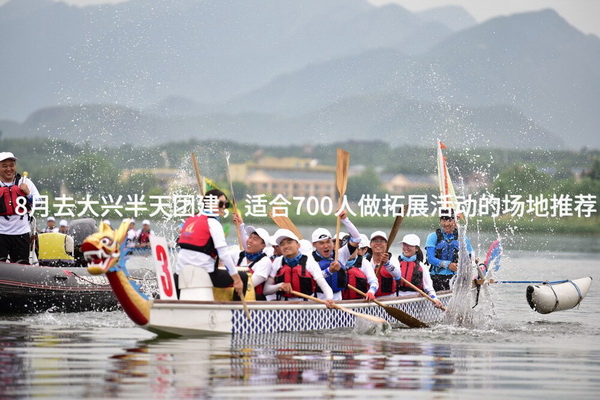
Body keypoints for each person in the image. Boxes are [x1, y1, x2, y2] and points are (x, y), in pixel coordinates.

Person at [174, 189, 246, 300]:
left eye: (226, 204)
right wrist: (237, 279)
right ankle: (236, 313)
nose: (224, 207)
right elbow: (224, 255)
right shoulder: (214, 223)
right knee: (243, 277)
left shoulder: (190, 220)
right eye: (221, 204)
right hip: (204, 274)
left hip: (180, 274)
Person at [263, 229, 334, 307]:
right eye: (282, 244)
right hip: (284, 307)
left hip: (307, 306)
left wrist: (329, 299)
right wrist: (280, 286)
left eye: (289, 242)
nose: (286, 246)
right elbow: (266, 290)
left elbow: (325, 286)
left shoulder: (309, 261)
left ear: (298, 245)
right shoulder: (277, 262)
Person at [311, 210, 362, 301]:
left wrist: (345, 220)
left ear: (332, 242)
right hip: (317, 302)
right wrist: (329, 271)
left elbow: (357, 238)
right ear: (314, 245)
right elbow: (314, 279)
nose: (326, 246)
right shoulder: (310, 259)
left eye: (328, 242)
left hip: (338, 300)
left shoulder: (340, 254)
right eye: (321, 243)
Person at [0, 152, 40, 264]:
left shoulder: (25, 182)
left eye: (11, 165)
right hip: (0, 233)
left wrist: (28, 194)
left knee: (21, 265)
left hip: (21, 233)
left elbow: (39, 203)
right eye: (4, 166)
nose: (9, 169)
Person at [425, 212, 474, 291]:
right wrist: (448, 265)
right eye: (443, 221)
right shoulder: (433, 236)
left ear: (455, 221)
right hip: (436, 277)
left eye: (449, 220)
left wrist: (473, 258)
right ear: (440, 221)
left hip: (456, 277)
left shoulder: (462, 237)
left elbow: (470, 254)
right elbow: (430, 258)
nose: (446, 224)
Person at [397, 234, 443, 308]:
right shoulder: (395, 264)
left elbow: (429, 288)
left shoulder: (421, 266)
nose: (406, 248)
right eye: (404, 244)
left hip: (414, 302)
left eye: (410, 245)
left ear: (417, 249)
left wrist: (435, 299)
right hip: (396, 300)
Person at [232, 225, 273, 300]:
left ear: (263, 246)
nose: (249, 241)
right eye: (250, 237)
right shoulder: (238, 255)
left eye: (255, 239)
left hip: (255, 300)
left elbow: (250, 284)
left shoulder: (265, 261)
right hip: (236, 296)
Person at [341, 234, 378, 300]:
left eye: (352, 249)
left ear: (357, 249)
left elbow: (374, 281)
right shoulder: (336, 262)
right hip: (340, 302)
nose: (349, 252)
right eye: (347, 249)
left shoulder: (364, 263)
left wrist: (371, 292)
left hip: (359, 302)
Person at [368, 230, 402, 298]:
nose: (378, 243)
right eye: (375, 241)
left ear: (387, 245)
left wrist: (387, 263)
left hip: (389, 299)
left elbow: (398, 277)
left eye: (382, 241)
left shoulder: (392, 259)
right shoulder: (366, 260)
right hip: (369, 298)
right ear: (370, 244)